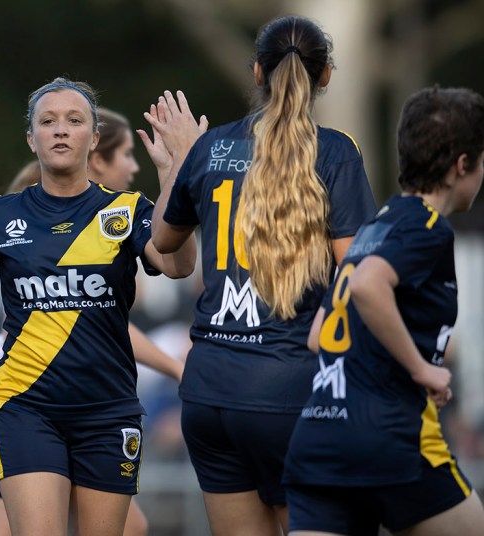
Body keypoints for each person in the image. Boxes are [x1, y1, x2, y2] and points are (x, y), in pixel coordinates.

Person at [0, 77, 196, 536]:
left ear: (93, 138)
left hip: (109, 412)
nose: (61, 130)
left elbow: (178, 265)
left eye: (74, 120)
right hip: (25, 407)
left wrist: (176, 174)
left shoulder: (127, 210)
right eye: (47, 122)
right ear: (31, 138)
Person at [141, 15, 377, 535]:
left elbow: (161, 241)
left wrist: (179, 161)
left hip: (208, 394)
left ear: (256, 72)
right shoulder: (335, 151)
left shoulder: (211, 148)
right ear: (326, 77)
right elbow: (359, 272)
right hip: (288, 386)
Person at [282, 87, 484, 536]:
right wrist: (422, 370)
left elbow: (319, 334)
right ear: (462, 165)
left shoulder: (377, 225)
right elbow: (370, 286)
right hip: (390, 437)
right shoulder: (426, 226)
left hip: (318, 439)